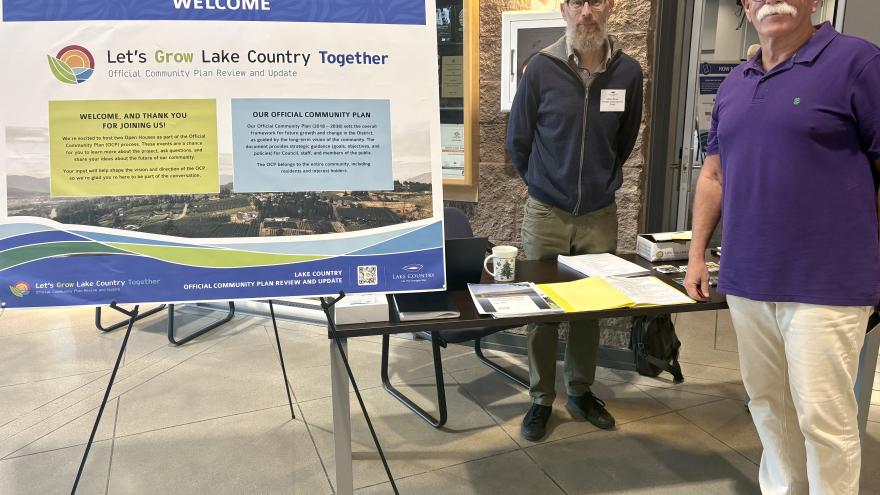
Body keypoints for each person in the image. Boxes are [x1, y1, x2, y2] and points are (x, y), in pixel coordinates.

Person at [684, 0, 880, 493]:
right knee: (768, 406)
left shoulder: (858, 62)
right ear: (747, 6)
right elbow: (714, 176)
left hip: (827, 283)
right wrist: (695, 255)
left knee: (824, 419)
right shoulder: (736, 83)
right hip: (750, 276)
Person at [506, 0, 643, 442]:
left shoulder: (628, 73)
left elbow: (625, 140)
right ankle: (540, 399)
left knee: (591, 307)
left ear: (611, 8)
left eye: (597, 2)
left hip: (599, 214)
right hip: (546, 213)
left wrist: (600, 183)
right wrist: (546, 186)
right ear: (564, 10)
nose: (588, 12)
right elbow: (518, 140)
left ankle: (580, 391)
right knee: (541, 308)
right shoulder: (541, 70)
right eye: (578, 3)